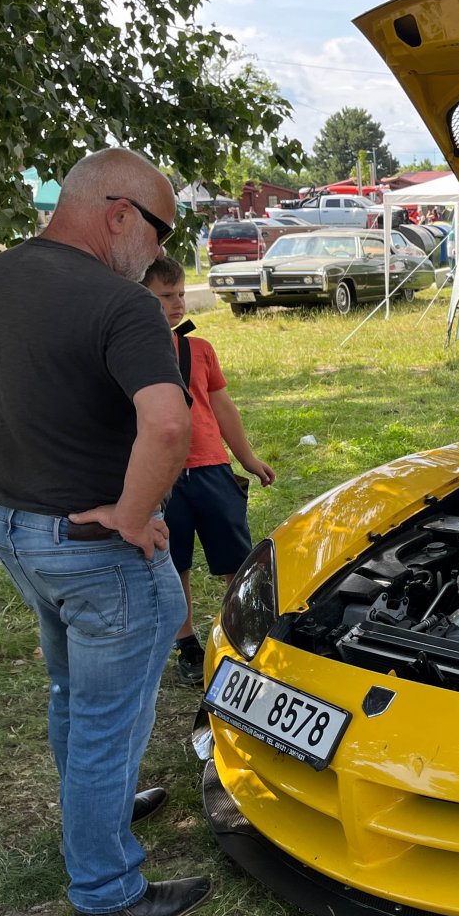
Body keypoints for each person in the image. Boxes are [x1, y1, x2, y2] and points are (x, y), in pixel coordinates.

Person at [0, 147, 213, 916]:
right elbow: (170, 423)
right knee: (108, 719)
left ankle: (100, 810)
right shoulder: (120, 304)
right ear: (120, 214)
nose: (158, 252)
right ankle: (106, 890)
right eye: (159, 232)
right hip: (94, 551)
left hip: (20, 535)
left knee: (71, 697)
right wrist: (128, 513)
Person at [141, 256, 274, 685]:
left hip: (212, 468)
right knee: (173, 561)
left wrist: (247, 458)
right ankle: (187, 644)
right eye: (166, 296)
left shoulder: (199, 350)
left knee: (237, 557)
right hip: (161, 477)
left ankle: (246, 632)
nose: (177, 303)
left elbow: (221, 405)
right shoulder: (129, 350)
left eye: (180, 294)